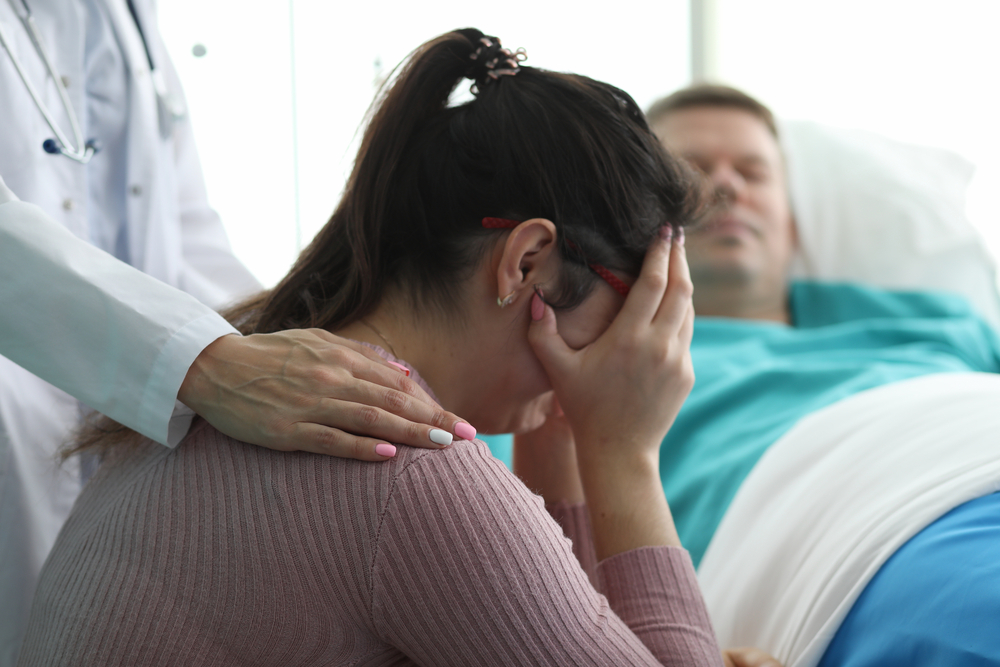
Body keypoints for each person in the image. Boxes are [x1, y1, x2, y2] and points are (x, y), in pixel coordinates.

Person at [14, 28, 740, 666]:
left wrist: (564, 437)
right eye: (630, 316)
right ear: (528, 264)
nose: (631, 353)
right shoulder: (403, 463)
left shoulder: (247, 412)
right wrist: (623, 451)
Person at [0, 2, 471, 664]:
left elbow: (184, 234)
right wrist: (205, 364)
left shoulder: (121, 15)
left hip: (117, 471)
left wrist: (315, 358)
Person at [644, 84, 1000, 664]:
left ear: (793, 225)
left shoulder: (943, 321)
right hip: (884, 530)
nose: (727, 185)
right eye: (693, 170)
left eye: (754, 172)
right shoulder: (583, 377)